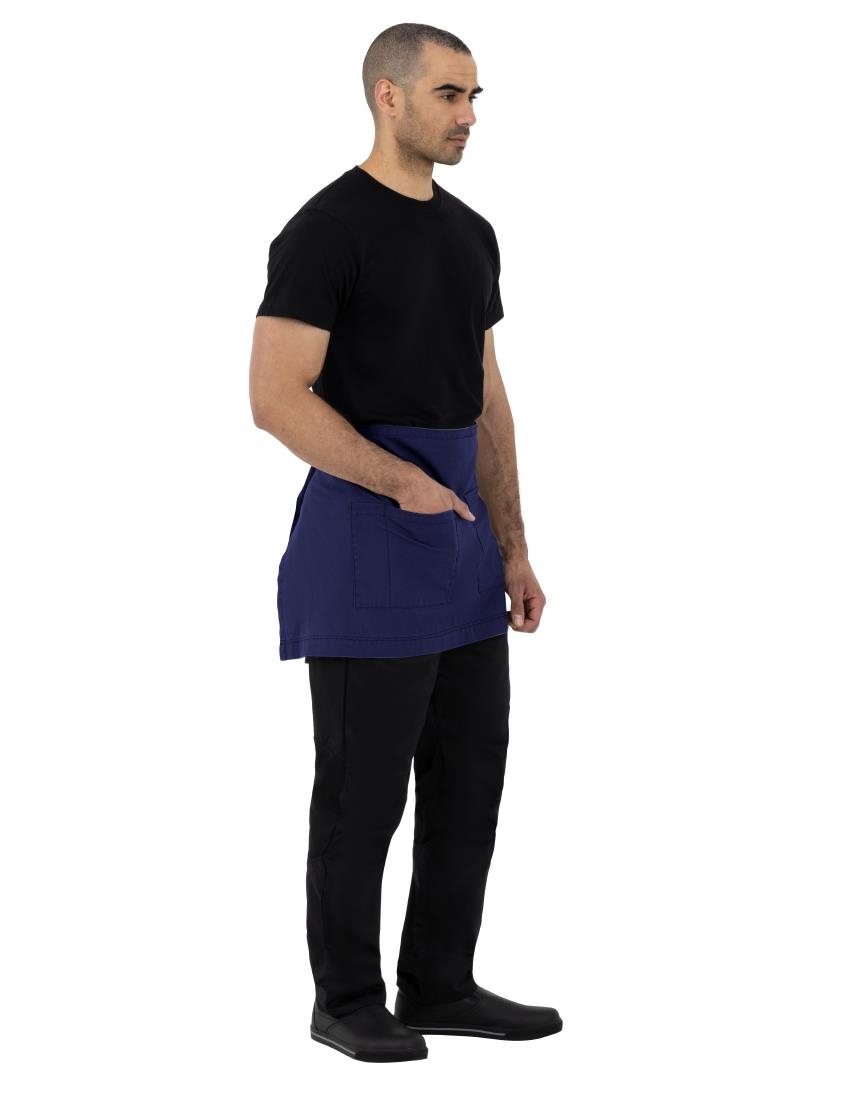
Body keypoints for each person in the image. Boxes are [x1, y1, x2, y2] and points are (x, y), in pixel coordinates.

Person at [249, 23, 561, 1062]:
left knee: (469, 775)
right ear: (388, 97)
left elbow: (487, 397)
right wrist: (398, 480)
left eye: (474, 96)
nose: (468, 115)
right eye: (448, 95)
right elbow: (274, 396)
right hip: (364, 534)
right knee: (363, 788)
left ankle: (440, 981)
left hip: (461, 541)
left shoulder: (471, 234)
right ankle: (344, 999)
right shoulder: (325, 230)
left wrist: (512, 546)